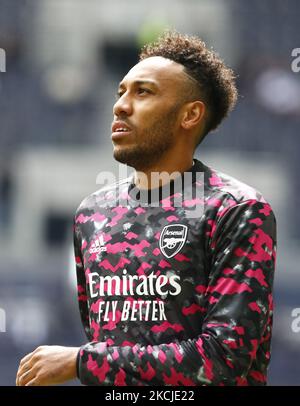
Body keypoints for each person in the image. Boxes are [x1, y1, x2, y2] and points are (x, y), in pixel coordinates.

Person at [16, 31, 276, 386]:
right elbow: (104, 346)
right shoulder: (92, 215)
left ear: (190, 115)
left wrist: (83, 362)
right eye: (120, 91)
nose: (121, 105)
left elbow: (223, 359)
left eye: (143, 92)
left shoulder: (237, 210)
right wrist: (90, 362)